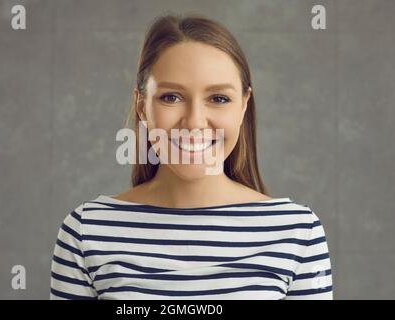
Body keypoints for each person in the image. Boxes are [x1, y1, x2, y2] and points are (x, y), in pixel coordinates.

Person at [50, 13, 333, 300]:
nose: (194, 122)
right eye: (171, 97)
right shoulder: (86, 231)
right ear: (141, 106)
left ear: (244, 105)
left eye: (218, 98)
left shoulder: (298, 232)